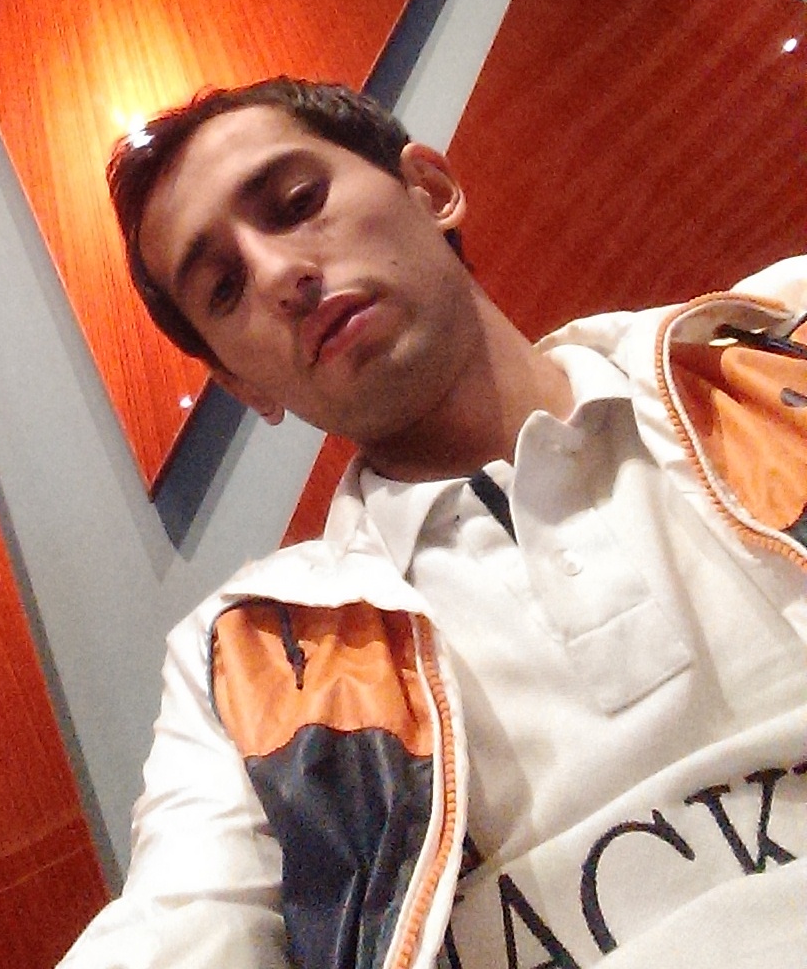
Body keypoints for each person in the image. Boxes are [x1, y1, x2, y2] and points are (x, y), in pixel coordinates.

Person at [58, 78, 807, 969]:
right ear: (244, 385)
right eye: (224, 288)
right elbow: (181, 924)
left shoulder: (779, 357)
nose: (278, 275)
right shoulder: (255, 656)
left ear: (431, 189)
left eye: (295, 203)